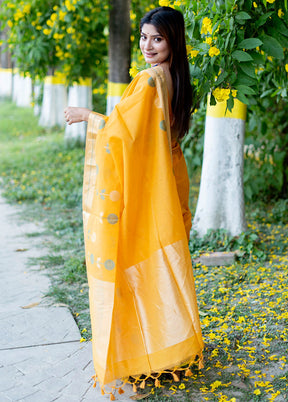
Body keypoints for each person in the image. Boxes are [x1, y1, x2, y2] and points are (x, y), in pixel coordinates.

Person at [64, 6, 204, 399]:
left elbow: (119, 134)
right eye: (143, 37)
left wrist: (85, 115)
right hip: (166, 184)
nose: (147, 45)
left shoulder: (149, 80)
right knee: (162, 262)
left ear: (173, 41)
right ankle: (169, 349)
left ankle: (146, 357)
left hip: (149, 190)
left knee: (138, 259)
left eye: (157, 38)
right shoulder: (176, 78)